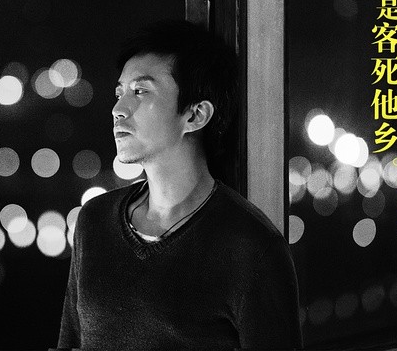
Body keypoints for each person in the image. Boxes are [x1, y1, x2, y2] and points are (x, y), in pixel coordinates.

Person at [58, 20, 302, 349]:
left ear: (195, 115)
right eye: (119, 93)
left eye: (140, 92)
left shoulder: (250, 247)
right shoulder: (95, 221)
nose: (118, 109)